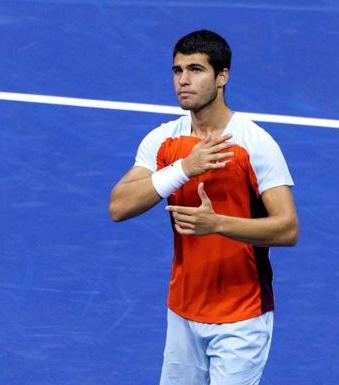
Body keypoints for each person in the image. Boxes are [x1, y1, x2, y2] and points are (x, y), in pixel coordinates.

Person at [109, 30, 298, 385]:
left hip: (241, 318)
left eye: (196, 70)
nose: (183, 80)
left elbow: (288, 229)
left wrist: (217, 224)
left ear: (222, 77)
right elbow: (119, 206)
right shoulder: (163, 140)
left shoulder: (256, 144)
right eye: (177, 70)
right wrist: (183, 169)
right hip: (182, 312)